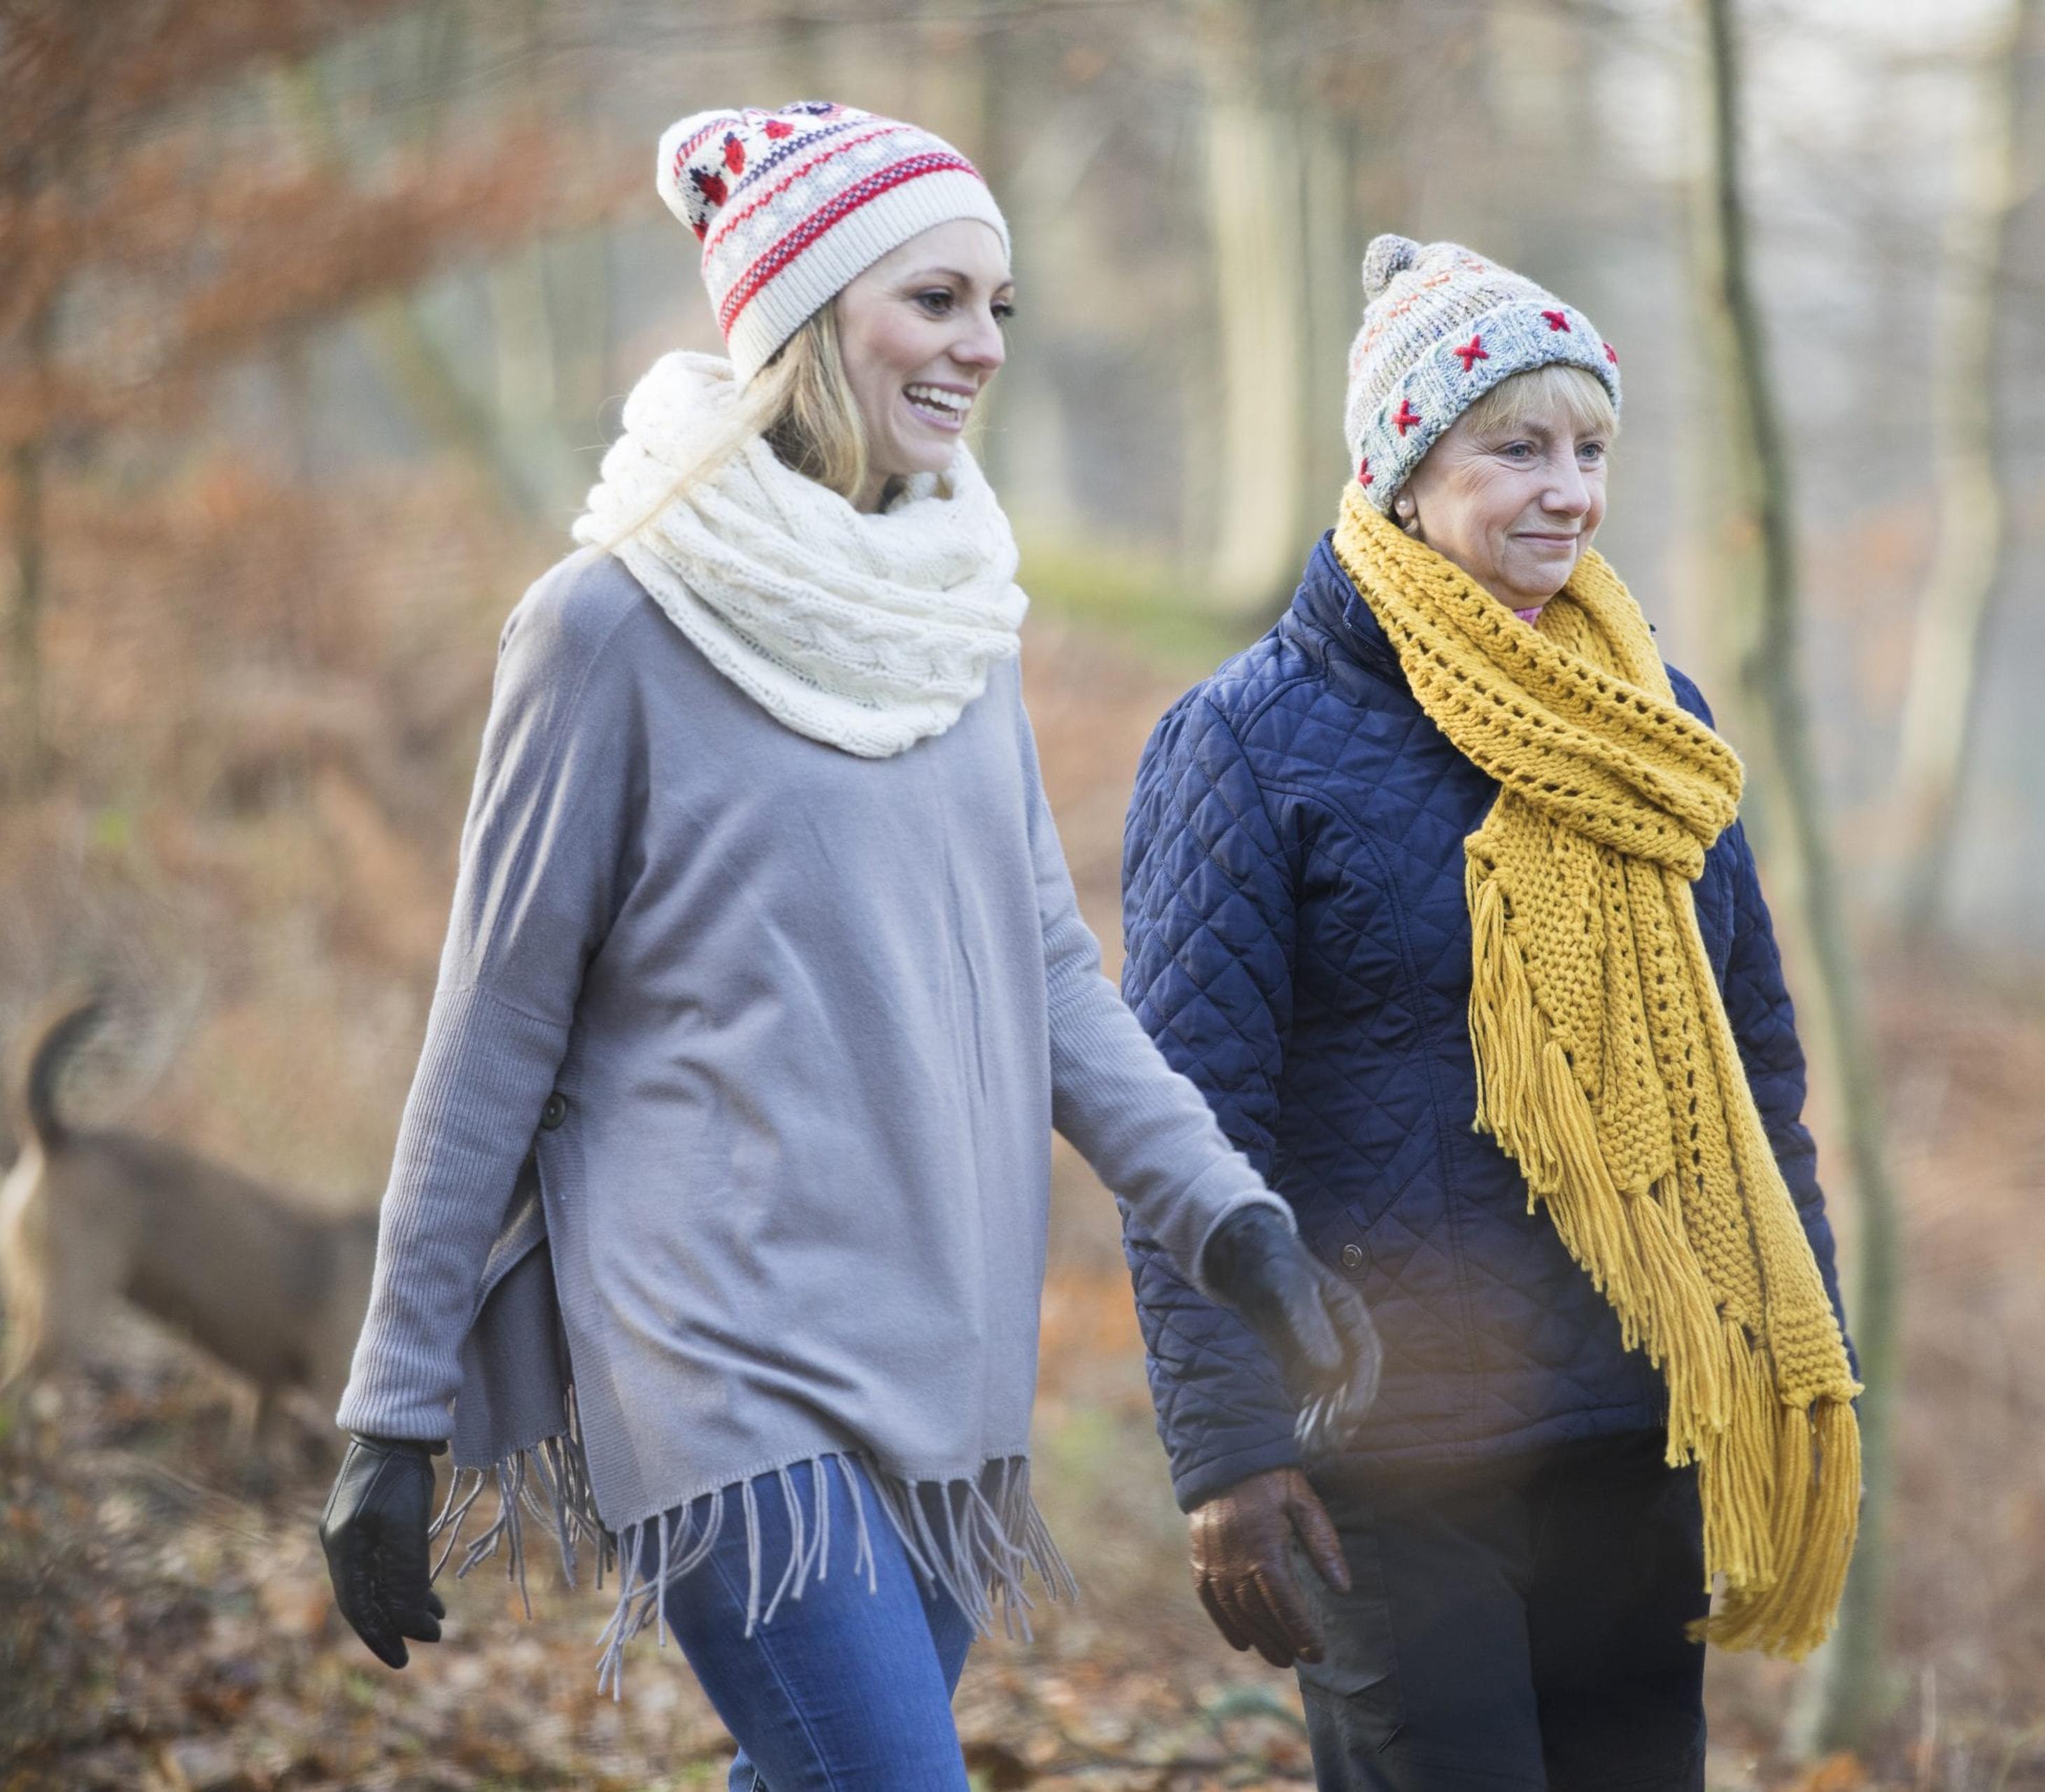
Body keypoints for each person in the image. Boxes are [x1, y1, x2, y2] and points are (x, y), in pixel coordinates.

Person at [316, 102, 1379, 1792]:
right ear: (806, 311)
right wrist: (394, 1409)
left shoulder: (955, 623)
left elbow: (1051, 979)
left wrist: (1233, 1225)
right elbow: (492, 1032)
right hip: (717, 1351)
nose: (980, 348)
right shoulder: (608, 625)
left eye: (998, 310)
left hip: (945, 1345)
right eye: (935, 300)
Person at [1119, 235, 1863, 1791]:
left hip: (1635, 1422)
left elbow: (1753, 1061)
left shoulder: (1653, 720)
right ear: (1404, 468)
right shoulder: (1249, 743)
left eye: (1590, 448)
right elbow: (1182, 1126)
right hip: (1389, 1449)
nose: (1567, 490)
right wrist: (1231, 1449)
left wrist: (1798, 1346)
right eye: (1513, 447)